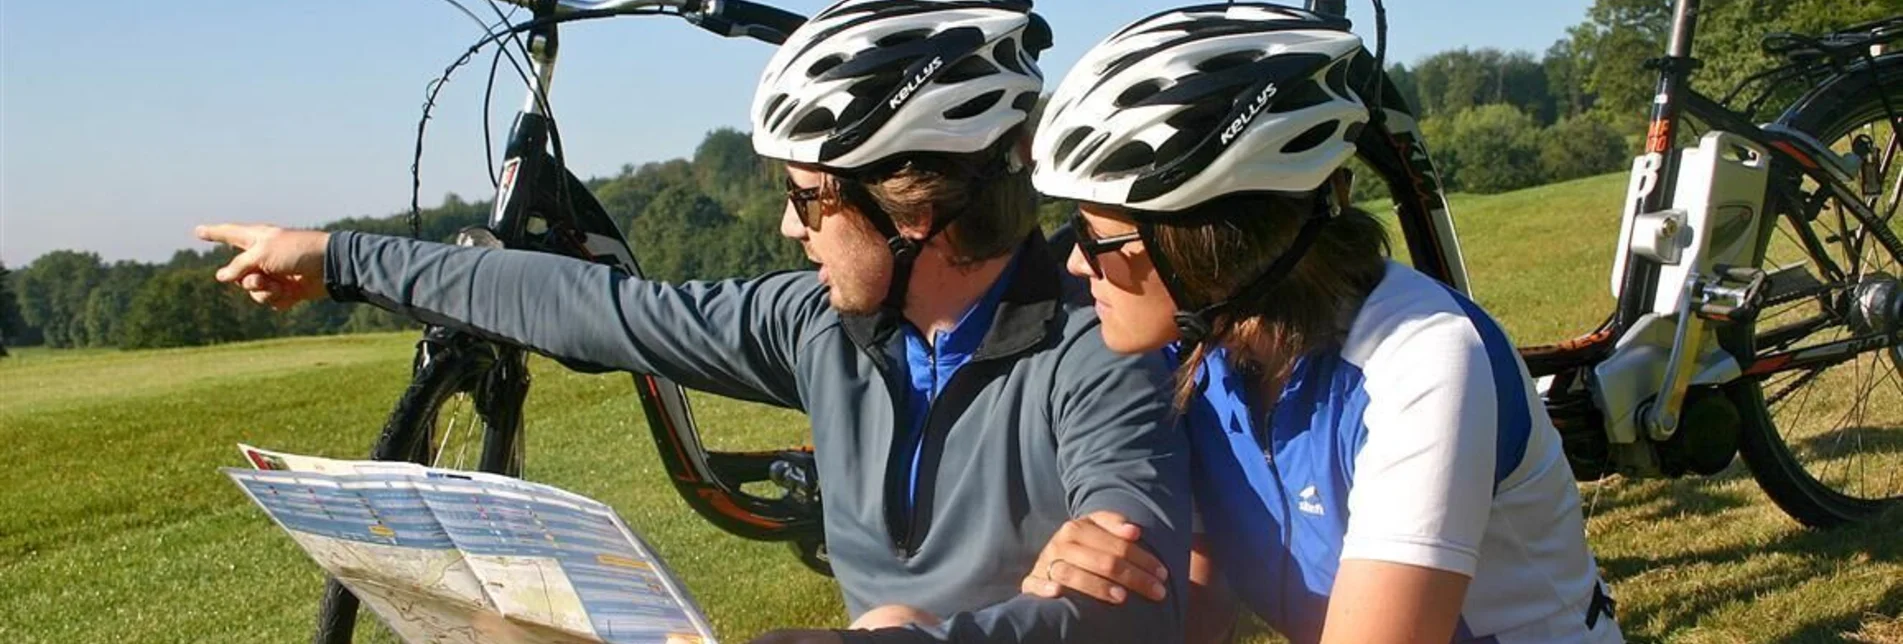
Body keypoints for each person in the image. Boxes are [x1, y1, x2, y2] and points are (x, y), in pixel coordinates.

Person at [195, 1, 1192, 642]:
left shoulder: (1093, 344)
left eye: (808, 197)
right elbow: (599, 309)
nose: (786, 223)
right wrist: (335, 257)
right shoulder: (819, 323)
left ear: (912, 208)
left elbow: (1135, 601)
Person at [1011, 4, 1625, 643]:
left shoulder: (1422, 360)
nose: (1077, 261)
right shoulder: (1197, 351)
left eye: (1098, 235)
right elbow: (1200, 594)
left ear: (1207, 242)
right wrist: (1093, 590)